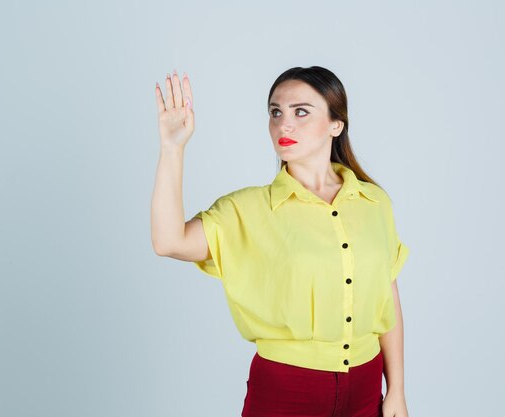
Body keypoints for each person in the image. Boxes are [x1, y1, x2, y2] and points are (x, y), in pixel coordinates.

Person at [151, 66, 410, 417]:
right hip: (287, 390)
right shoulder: (247, 209)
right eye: (276, 112)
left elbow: (387, 296)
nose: (283, 124)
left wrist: (396, 389)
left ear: (337, 124)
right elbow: (169, 241)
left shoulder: (374, 203)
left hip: (366, 388)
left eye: (300, 112)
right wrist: (172, 148)